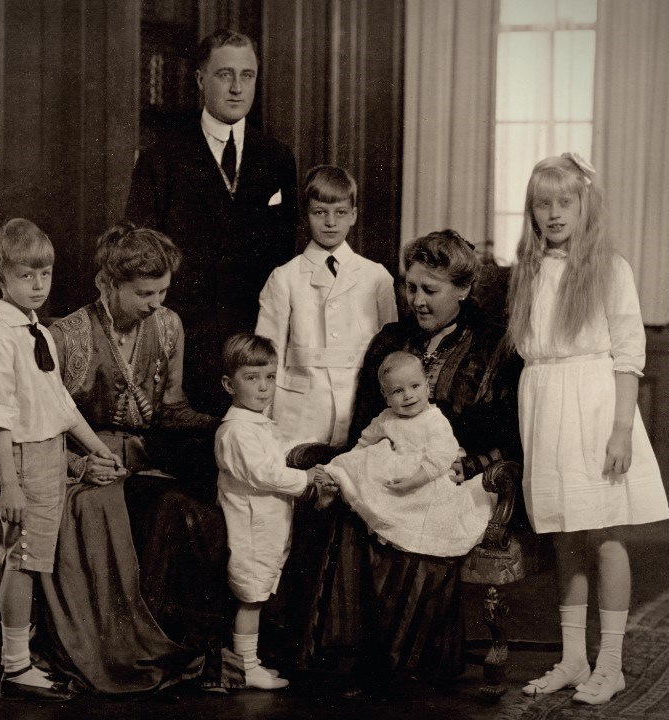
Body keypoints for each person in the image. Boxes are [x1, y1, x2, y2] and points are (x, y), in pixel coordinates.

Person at [302, 229, 523, 696]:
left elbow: (514, 436)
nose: (416, 300)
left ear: (463, 289)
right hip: (391, 465)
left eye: (430, 289)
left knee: (419, 521)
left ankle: (407, 663)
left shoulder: (495, 347)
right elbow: (365, 421)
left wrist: (476, 464)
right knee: (356, 510)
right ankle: (346, 659)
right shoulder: (389, 341)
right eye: (410, 287)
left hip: (460, 476)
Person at [37, 222, 244, 695]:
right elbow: (41, 432)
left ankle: (183, 647)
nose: (156, 303)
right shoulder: (64, 336)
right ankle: (136, 651)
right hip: (85, 477)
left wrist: (229, 425)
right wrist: (79, 466)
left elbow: (172, 408)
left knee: (206, 520)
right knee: (175, 509)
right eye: (144, 293)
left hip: (147, 466)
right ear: (106, 285)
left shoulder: (168, 325)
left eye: (163, 291)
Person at [508, 153, 669, 705]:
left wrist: (622, 429)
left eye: (564, 202)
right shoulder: (527, 269)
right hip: (545, 404)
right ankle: (574, 658)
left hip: (596, 405)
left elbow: (628, 355)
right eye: (542, 203)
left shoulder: (610, 268)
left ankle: (612, 663)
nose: (553, 213)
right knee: (565, 535)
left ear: (584, 206)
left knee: (604, 534)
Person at [0, 218, 124, 702]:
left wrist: (98, 448)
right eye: (25, 276)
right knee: (23, 559)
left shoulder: (36, 330)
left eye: (45, 275)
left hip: (46, 452)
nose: (37, 286)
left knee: (27, 556)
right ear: (1, 279)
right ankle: (15, 666)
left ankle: (23, 651)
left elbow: (58, 403)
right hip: (18, 456)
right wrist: (10, 483)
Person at [125, 28, 299, 415]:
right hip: (187, 345)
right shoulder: (162, 158)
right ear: (201, 80)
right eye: (225, 75)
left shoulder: (278, 158)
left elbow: (287, 254)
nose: (237, 88)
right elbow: (141, 257)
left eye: (247, 75)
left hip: (257, 341)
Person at [215, 333, 336, 690]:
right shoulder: (236, 430)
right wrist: (306, 478)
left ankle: (250, 663)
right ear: (229, 384)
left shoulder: (257, 424)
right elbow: (264, 473)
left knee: (260, 594)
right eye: (251, 379)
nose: (264, 388)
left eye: (269, 377)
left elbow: (272, 458)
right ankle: (246, 668)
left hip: (267, 527)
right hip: (250, 530)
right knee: (250, 600)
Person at [256, 165, 397, 448]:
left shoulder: (377, 277)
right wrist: (261, 421)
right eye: (320, 212)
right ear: (305, 215)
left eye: (341, 212)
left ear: (353, 215)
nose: (331, 222)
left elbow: (390, 355)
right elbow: (266, 355)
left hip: (359, 410)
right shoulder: (284, 278)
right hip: (299, 414)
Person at [315, 351, 492, 558]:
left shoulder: (434, 420)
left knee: (422, 510)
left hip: (427, 478)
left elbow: (441, 457)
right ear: (386, 397)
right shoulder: (386, 419)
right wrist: (350, 467)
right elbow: (364, 443)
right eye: (398, 391)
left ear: (427, 386)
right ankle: (335, 481)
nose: (408, 395)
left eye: (415, 386)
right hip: (396, 475)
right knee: (368, 455)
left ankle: (407, 532)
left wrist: (415, 481)